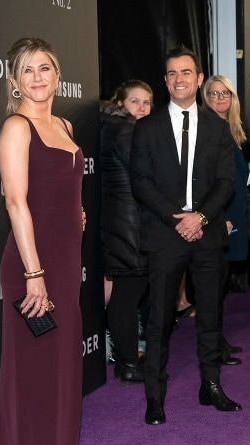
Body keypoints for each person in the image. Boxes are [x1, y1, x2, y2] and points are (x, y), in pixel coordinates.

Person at [0, 37, 83, 445]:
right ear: (14, 80)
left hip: (63, 259)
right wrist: (35, 273)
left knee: (59, 373)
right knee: (34, 377)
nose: (38, 78)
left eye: (45, 69)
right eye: (27, 71)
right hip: (31, 267)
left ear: (58, 74)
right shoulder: (16, 128)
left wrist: (80, 214)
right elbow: (16, 202)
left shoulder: (64, 124)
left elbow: (63, 188)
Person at [131, 47, 240, 425]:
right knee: (160, 318)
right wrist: (176, 217)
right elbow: (140, 181)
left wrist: (202, 217)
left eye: (187, 72)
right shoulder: (146, 127)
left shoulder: (217, 127)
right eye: (172, 73)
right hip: (165, 233)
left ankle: (210, 385)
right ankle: (155, 396)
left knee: (210, 312)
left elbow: (227, 182)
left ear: (198, 77)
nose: (179, 79)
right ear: (165, 80)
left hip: (207, 234)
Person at [202, 74, 250, 366]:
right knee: (213, 284)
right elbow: (205, 182)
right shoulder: (205, 130)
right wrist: (219, 218)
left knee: (221, 284)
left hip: (234, 212)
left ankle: (218, 341)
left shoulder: (232, 130)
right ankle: (213, 346)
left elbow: (231, 176)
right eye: (213, 94)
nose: (219, 99)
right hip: (219, 217)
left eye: (225, 94)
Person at [100, 79, 153, 383]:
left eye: (147, 102)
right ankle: (129, 363)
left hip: (123, 221)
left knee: (125, 294)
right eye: (135, 101)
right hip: (131, 224)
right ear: (121, 103)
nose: (142, 108)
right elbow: (144, 177)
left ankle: (128, 359)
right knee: (127, 295)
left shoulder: (111, 127)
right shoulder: (127, 130)